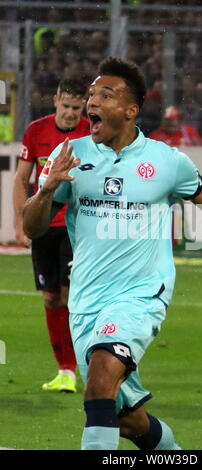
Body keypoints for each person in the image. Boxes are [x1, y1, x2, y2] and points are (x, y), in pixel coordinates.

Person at [23, 56, 202, 450]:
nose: (92, 103)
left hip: (140, 297)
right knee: (127, 420)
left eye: (106, 95)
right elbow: (31, 227)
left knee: (100, 381)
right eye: (91, 95)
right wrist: (48, 188)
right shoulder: (70, 156)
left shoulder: (166, 161)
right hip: (86, 304)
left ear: (131, 110)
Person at [13, 78, 90, 393]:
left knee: (72, 297)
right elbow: (21, 179)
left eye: (77, 107)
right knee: (49, 297)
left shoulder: (90, 132)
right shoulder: (36, 131)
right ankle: (65, 370)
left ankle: (84, 366)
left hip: (76, 228)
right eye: (66, 106)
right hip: (43, 225)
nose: (71, 113)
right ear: (56, 100)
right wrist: (21, 222)